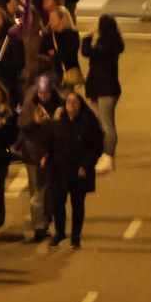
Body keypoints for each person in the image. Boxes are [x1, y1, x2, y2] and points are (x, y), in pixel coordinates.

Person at [43, 92, 106, 250]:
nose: (71, 105)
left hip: (79, 171)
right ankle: (59, 232)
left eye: (74, 102)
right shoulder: (58, 123)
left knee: (77, 204)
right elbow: (49, 141)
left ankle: (75, 237)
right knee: (57, 202)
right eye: (69, 102)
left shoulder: (89, 123)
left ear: (80, 105)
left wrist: (85, 165)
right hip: (59, 170)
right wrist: (45, 155)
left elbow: (96, 147)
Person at [82, 15, 124, 173]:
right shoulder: (110, 42)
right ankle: (102, 154)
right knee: (98, 124)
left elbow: (87, 52)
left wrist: (87, 37)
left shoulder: (108, 44)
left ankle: (108, 157)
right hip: (99, 87)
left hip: (106, 89)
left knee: (107, 125)